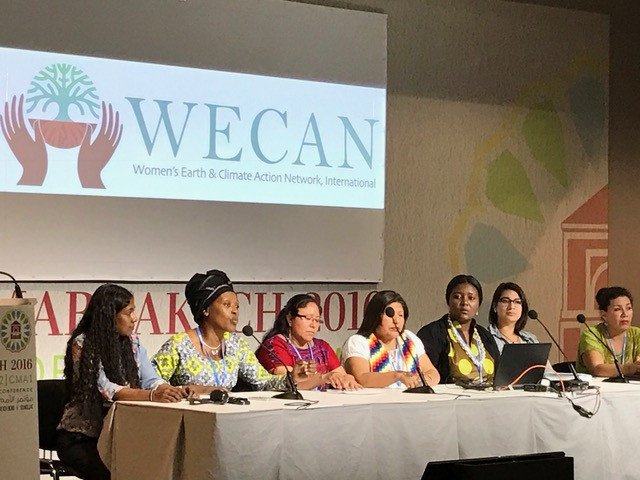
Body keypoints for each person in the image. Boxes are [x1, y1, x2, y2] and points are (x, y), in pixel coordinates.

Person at [57, 284, 185, 480]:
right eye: (129, 312)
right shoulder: (83, 344)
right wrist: (152, 396)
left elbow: (151, 379)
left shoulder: (133, 343)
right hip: (83, 439)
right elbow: (107, 390)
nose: (134, 318)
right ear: (109, 315)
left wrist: (171, 390)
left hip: (121, 435)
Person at [152, 269, 317, 393]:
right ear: (205, 309)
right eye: (227, 305)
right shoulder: (179, 345)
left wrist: (290, 378)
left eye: (237, 305)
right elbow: (151, 384)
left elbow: (264, 382)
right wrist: (185, 389)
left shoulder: (236, 345)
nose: (235, 311)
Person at [257, 294, 361, 390]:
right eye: (308, 318)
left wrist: (348, 378)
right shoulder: (274, 345)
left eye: (317, 320)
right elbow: (289, 383)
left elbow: (340, 374)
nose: (313, 325)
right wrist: (324, 378)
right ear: (289, 319)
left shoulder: (322, 347)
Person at [342, 290, 440, 388]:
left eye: (400, 315)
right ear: (375, 316)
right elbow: (361, 379)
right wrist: (398, 376)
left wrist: (418, 380)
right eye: (390, 314)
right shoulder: (358, 342)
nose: (396, 321)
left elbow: (433, 373)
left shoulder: (409, 338)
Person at [417, 274, 499, 384]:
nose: (465, 303)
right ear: (448, 301)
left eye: (471, 298)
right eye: (457, 297)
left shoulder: (485, 335)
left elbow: (499, 375)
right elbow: (425, 376)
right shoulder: (432, 333)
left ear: (478, 304)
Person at [576, 286, 640, 377]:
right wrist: (629, 368)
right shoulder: (592, 334)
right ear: (604, 314)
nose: (625, 314)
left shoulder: (637, 334)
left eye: (628, 308)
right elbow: (597, 369)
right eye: (617, 309)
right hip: (598, 389)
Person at [488, 282, 538, 353]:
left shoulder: (530, 339)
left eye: (517, 302)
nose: (511, 306)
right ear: (495, 306)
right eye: (505, 301)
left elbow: (544, 364)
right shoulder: (485, 337)